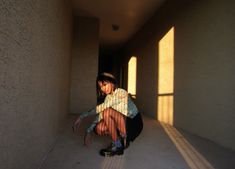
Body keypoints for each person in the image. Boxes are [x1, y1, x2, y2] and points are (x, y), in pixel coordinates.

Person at [73, 72, 143, 157]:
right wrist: (89, 131)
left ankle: (119, 144)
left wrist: (81, 117)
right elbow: (100, 115)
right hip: (122, 123)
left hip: (134, 123)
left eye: (105, 84)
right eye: (100, 87)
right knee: (99, 128)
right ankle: (119, 144)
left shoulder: (121, 92)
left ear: (112, 82)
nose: (103, 88)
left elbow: (100, 108)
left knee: (107, 111)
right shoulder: (108, 98)